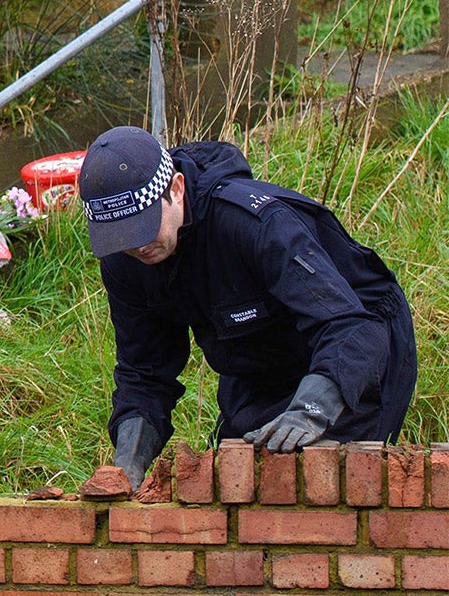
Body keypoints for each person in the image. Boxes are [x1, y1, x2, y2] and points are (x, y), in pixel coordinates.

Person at [82, 126, 417, 485]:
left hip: (356, 341)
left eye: (143, 228)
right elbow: (144, 371)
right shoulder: (126, 257)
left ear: (175, 190)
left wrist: (310, 411)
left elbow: (348, 325)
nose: (138, 247)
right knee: (239, 482)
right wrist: (128, 465)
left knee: (317, 485)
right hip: (256, 355)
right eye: (123, 237)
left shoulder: (253, 224)